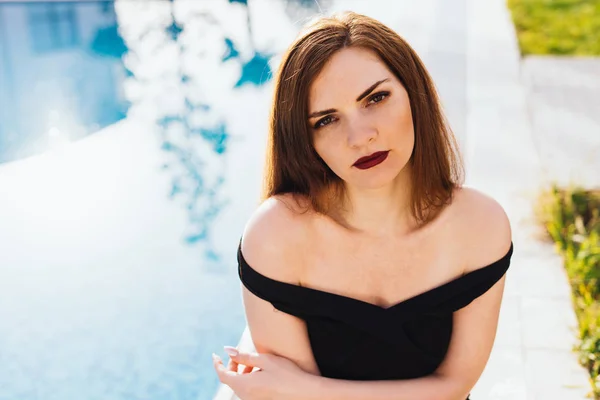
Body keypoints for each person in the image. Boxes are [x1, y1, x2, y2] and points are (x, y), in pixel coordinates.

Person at [212, 10, 513, 400]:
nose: (360, 137)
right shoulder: (276, 236)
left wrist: (302, 388)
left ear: (414, 93)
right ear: (305, 141)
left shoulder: (480, 226)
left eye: (376, 98)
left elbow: (455, 387)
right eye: (326, 120)